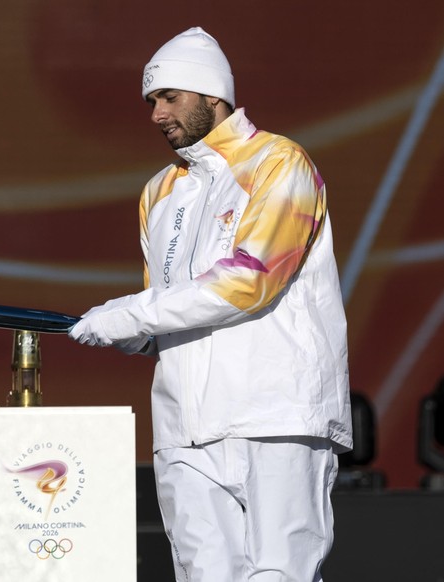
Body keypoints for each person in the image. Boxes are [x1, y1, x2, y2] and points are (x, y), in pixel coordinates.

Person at [68, 27, 353, 581]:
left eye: (169, 98)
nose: (156, 114)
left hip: (275, 413)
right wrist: (130, 330)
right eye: (151, 101)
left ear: (211, 95)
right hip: (184, 425)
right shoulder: (159, 190)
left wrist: (129, 314)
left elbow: (251, 279)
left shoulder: (279, 163)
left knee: (280, 574)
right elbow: (161, 305)